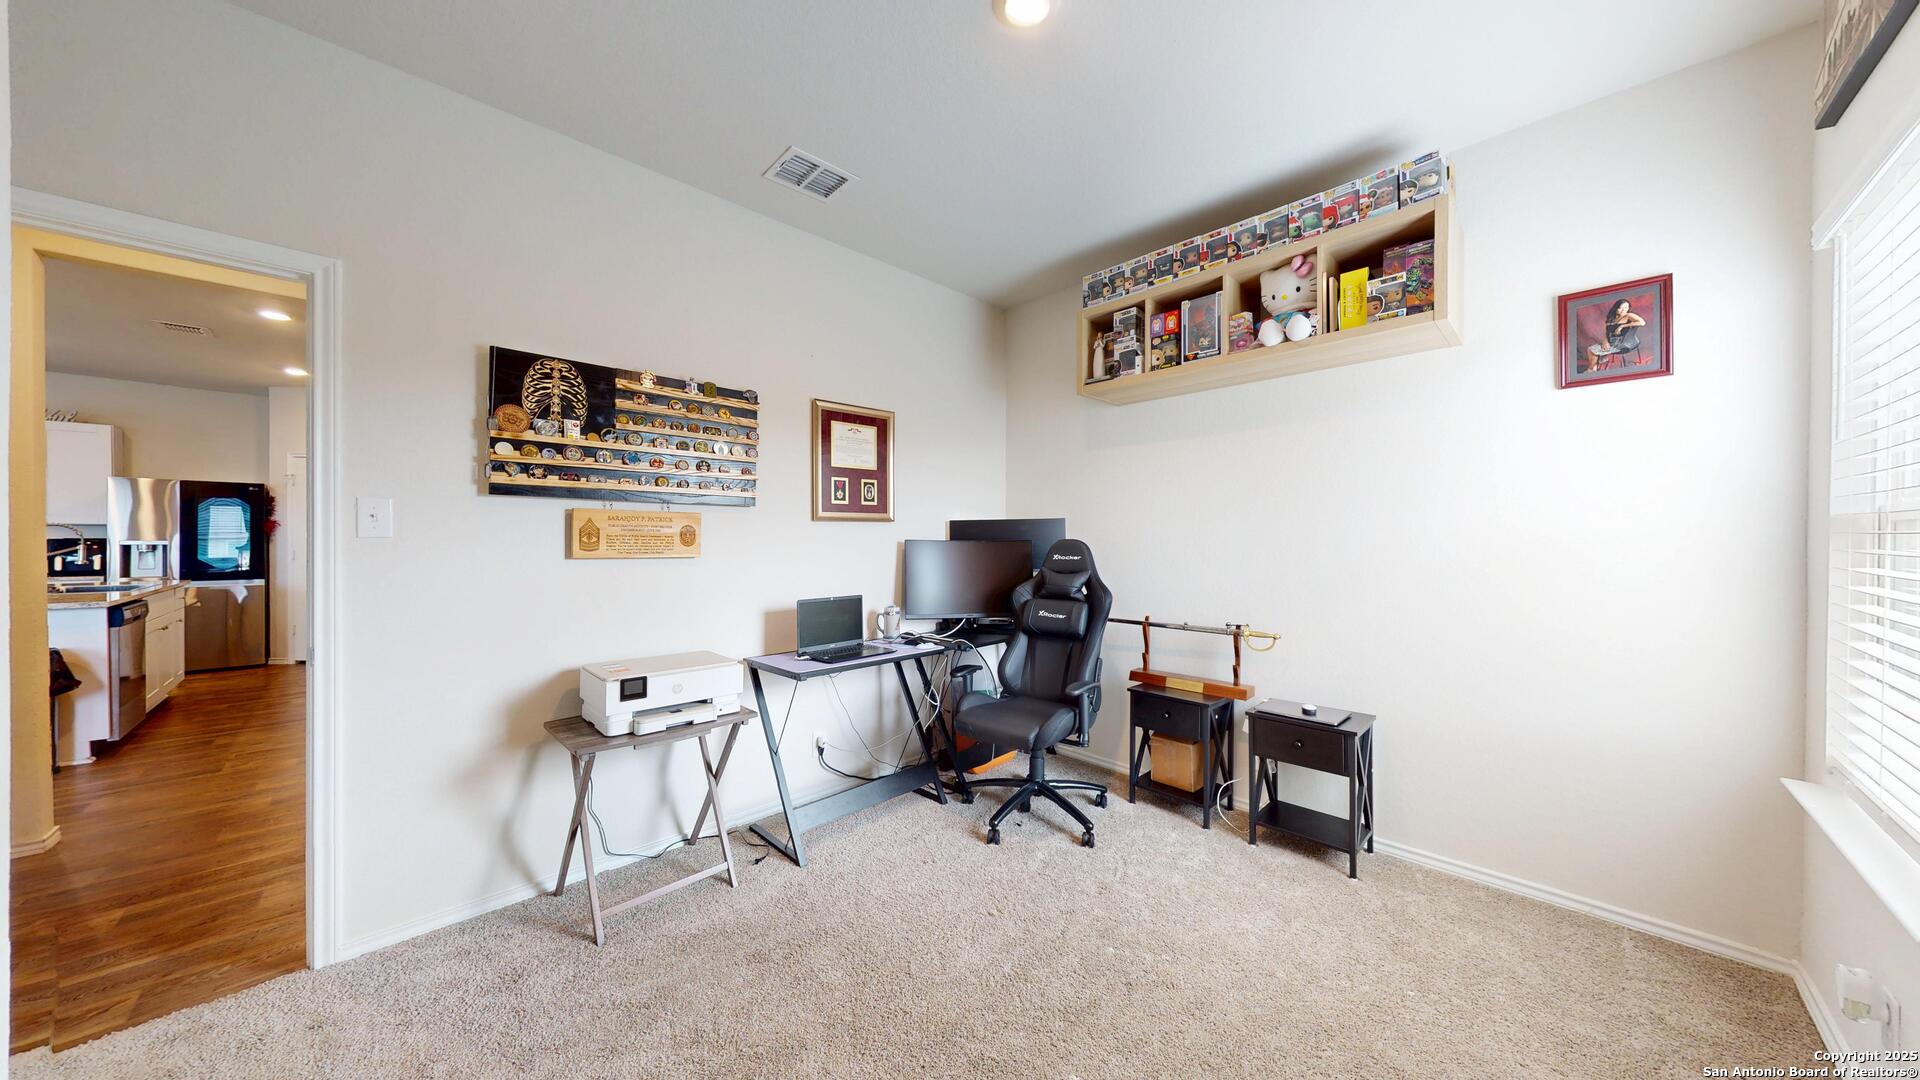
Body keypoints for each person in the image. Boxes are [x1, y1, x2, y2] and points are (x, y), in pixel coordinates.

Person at [1586, 298, 1646, 368]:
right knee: (1590, 349)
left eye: (1626, 307)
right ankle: (1593, 369)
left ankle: (1592, 369)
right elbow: (1607, 331)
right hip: (1612, 342)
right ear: (1616, 308)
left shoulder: (1629, 315)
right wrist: (1605, 341)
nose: (1624, 310)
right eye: (1621, 308)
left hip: (1625, 343)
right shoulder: (1612, 318)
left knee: (1594, 353)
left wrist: (1622, 326)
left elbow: (1642, 323)